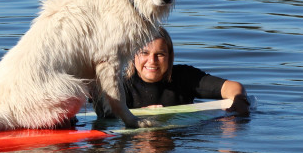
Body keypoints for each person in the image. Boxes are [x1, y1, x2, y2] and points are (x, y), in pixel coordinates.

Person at [97, 28, 251, 117]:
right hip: (136, 142)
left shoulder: (184, 77)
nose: (152, 61)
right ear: (132, 55)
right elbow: (105, 114)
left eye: (160, 54)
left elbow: (232, 87)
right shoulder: (120, 85)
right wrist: (140, 115)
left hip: (178, 137)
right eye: (145, 53)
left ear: (170, 57)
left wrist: (239, 99)